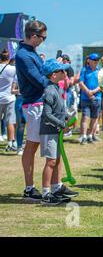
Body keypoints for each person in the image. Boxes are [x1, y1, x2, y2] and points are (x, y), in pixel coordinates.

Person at [15, 20, 50, 201]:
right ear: (34, 36)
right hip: (34, 104)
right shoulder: (23, 55)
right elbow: (39, 80)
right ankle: (29, 188)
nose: (43, 41)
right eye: (43, 37)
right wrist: (53, 75)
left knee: (36, 146)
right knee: (32, 146)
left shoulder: (30, 52)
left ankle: (50, 186)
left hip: (38, 103)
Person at [40, 59, 78, 205]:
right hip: (48, 131)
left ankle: (56, 189)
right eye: (61, 70)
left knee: (56, 161)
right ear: (53, 75)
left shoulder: (57, 87)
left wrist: (68, 117)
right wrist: (62, 124)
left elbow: (59, 109)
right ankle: (46, 193)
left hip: (56, 130)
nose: (65, 72)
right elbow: (47, 115)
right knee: (50, 162)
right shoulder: (49, 90)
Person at [79, 53, 102, 145]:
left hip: (97, 98)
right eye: (94, 60)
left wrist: (93, 91)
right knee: (85, 117)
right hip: (85, 98)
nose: (96, 62)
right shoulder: (84, 70)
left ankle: (90, 135)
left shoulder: (100, 70)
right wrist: (88, 92)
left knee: (95, 118)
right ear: (89, 60)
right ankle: (84, 136)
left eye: (97, 60)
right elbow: (81, 83)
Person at [0, 49, 18, 152]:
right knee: (10, 121)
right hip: (9, 97)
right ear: (9, 58)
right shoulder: (13, 69)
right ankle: (10, 143)